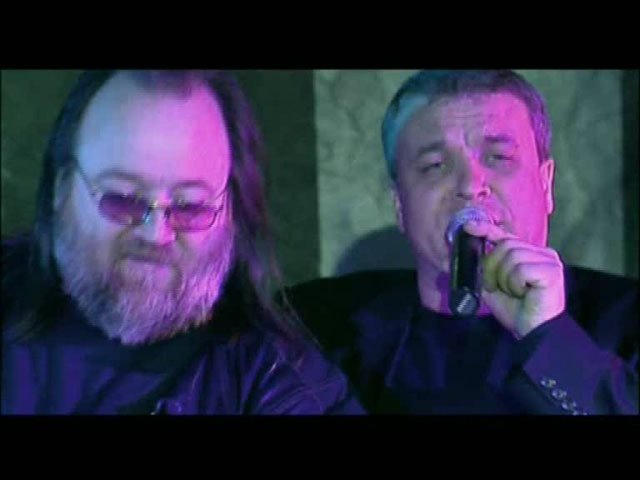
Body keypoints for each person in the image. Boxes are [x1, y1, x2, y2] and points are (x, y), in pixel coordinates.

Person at [2, 70, 362, 415]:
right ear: (61, 190)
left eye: (191, 206)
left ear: (232, 212)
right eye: (123, 199)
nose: (156, 234)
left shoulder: (282, 385)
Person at [288, 70, 638, 414]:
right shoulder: (311, 332)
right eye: (435, 165)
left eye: (498, 157)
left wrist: (549, 338)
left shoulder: (627, 320)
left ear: (546, 185)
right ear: (399, 204)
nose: (470, 185)